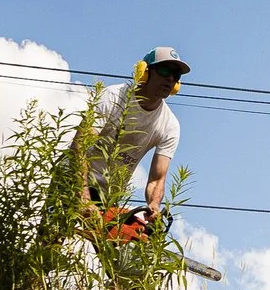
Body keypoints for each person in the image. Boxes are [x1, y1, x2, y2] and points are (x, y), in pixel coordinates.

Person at [77, 45, 188, 222]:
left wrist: (153, 205)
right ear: (144, 71)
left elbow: (157, 179)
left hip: (108, 196)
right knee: (51, 240)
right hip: (73, 179)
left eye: (176, 76)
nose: (170, 78)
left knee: (109, 246)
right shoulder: (112, 97)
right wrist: (83, 195)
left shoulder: (170, 125)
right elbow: (79, 147)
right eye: (165, 69)